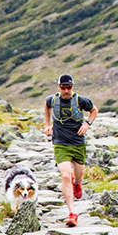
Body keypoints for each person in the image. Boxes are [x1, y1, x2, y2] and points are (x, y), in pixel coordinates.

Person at [44, 74, 98, 227]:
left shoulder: (81, 100)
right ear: (59, 86)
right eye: (63, 87)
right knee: (65, 176)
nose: (66, 90)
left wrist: (87, 124)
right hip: (60, 143)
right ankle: (72, 213)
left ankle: (77, 182)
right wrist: (47, 125)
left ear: (72, 86)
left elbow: (94, 110)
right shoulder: (52, 100)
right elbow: (46, 107)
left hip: (77, 143)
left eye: (69, 87)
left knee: (78, 175)